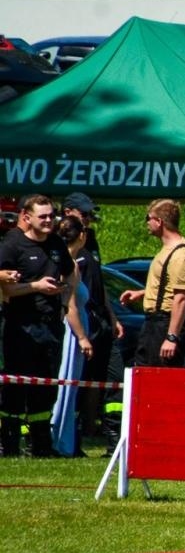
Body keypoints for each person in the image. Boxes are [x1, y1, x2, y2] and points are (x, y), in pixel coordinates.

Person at [0, 195, 88, 457]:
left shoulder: (56, 244)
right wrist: (35, 287)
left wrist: (64, 297)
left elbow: (70, 270)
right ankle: (9, 442)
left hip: (49, 327)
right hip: (19, 326)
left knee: (46, 385)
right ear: (27, 217)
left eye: (52, 216)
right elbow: (5, 289)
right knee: (15, 387)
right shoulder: (12, 245)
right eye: (43, 216)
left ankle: (41, 444)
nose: (50, 221)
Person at [61, 192, 120, 445]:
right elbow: (70, 296)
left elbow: (99, 283)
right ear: (67, 213)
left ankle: (109, 434)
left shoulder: (90, 241)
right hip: (79, 319)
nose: (88, 220)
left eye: (90, 215)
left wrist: (113, 316)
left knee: (108, 375)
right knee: (78, 377)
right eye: (83, 214)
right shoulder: (62, 247)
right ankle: (75, 432)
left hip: (99, 317)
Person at [119, 199, 185, 369]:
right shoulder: (166, 250)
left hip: (165, 325)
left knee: (160, 381)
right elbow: (166, 286)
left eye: (148, 218)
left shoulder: (182, 254)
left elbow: (181, 299)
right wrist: (141, 293)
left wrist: (171, 337)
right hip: (153, 324)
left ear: (159, 221)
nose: (147, 223)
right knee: (143, 375)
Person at [48, 216, 92, 456]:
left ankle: (63, 439)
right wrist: (83, 337)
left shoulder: (69, 261)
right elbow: (71, 306)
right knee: (66, 384)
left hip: (73, 328)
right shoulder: (70, 265)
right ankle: (59, 441)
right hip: (72, 332)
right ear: (81, 235)